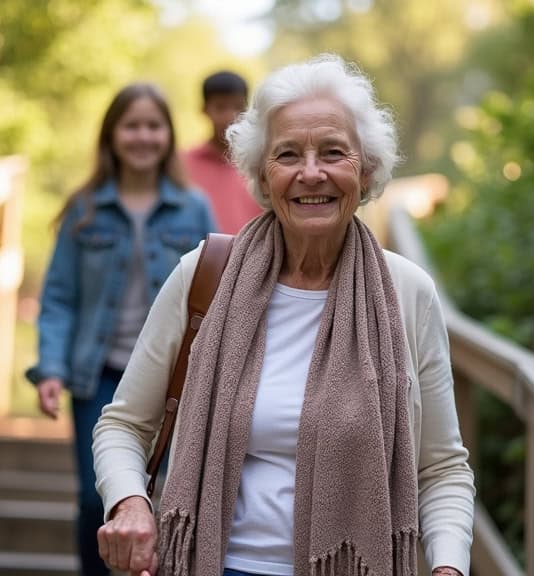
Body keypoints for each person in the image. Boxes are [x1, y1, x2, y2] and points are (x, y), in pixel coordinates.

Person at [93, 55, 475, 576]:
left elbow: (443, 466)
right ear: (262, 175)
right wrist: (130, 502)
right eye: (288, 154)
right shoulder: (204, 274)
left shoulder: (407, 293)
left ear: (365, 172)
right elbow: (123, 424)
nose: (310, 172)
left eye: (333, 152)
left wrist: (449, 566)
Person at [25, 83, 216, 576]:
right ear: (111, 136)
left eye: (154, 126)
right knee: (98, 499)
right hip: (99, 376)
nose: (143, 136)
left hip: (176, 379)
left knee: (168, 498)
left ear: (168, 137)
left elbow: (218, 293)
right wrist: (50, 367)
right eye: (131, 125)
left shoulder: (193, 209)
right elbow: (59, 297)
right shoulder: (84, 210)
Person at [182, 70, 264, 234]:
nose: (230, 116)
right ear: (204, 110)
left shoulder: (261, 163)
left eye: (237, 108)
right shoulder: (183, 164)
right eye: (220, 107)